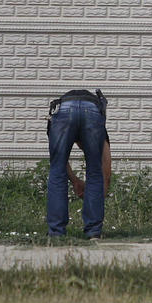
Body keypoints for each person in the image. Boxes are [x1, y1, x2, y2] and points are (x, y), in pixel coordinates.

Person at [46, 89, 109, 239]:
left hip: (63, 108)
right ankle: (94, 232)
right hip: (92, 110)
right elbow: (105, 169)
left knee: (56, 170)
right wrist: (98, 196)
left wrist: (75, 180)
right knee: (94, 171)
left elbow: (58, 163)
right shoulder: (99, 129)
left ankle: (56, 233)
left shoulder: (63, 120)